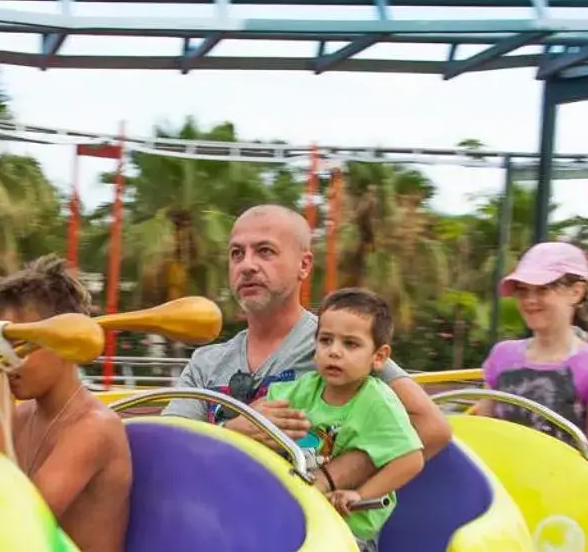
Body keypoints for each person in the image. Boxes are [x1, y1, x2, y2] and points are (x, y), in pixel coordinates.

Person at [163, 204, 450, 498]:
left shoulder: (338, 345)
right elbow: (166, 450)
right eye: (237, 254)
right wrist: (231, 433)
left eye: (265, 251)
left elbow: (430, 427)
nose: (246, 265)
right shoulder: (206, 362)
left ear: (304, 265)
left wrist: (324, 480)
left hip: (316, 534)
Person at [0, 255, 133, 552]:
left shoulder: (95, 427)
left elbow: (16, 527)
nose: (5, 361)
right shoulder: (22, 417)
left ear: (68, 343)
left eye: (20, 346)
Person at [262, 288, 424, 552]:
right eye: (326, 341)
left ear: (379, 357)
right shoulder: (296, 392)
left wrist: (360, 494)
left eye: (351, 344)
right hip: (297, 523)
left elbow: (411, 459)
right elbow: (262, 426)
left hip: (349, 532)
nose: (334, 351)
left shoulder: (377, 402)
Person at [475, 241, 588, 464]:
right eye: (523, 291)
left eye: (543, 289)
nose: (530, 301)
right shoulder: (502, 355)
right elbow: (482, 433)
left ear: (576, 292)